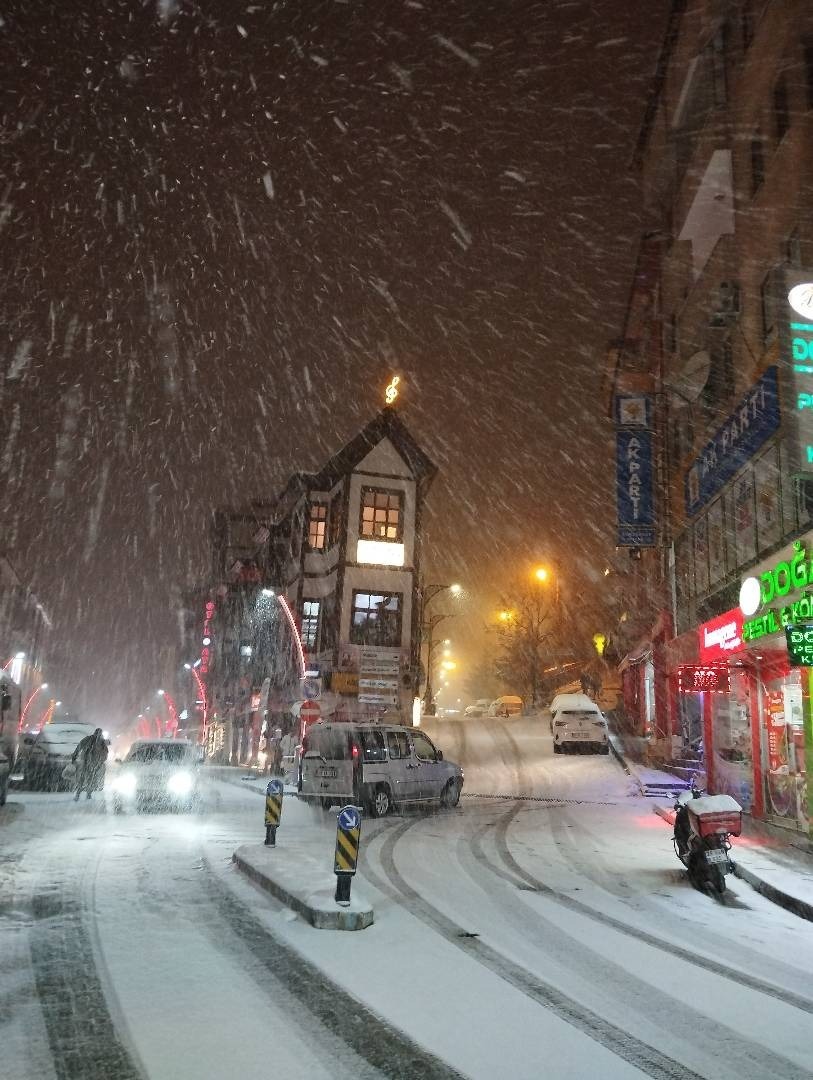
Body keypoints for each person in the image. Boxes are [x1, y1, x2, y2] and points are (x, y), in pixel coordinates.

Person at [72, 728, 108, 801]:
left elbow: (79, 747)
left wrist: (74, 756)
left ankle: (81, 795)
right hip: (91, 763)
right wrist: (100, 762)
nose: (98, 735)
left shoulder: (91, 740)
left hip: (90, 763)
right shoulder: (99, 741)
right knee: (89, 779)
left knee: (85, 779)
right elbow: (105, 754)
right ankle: (84, 794)